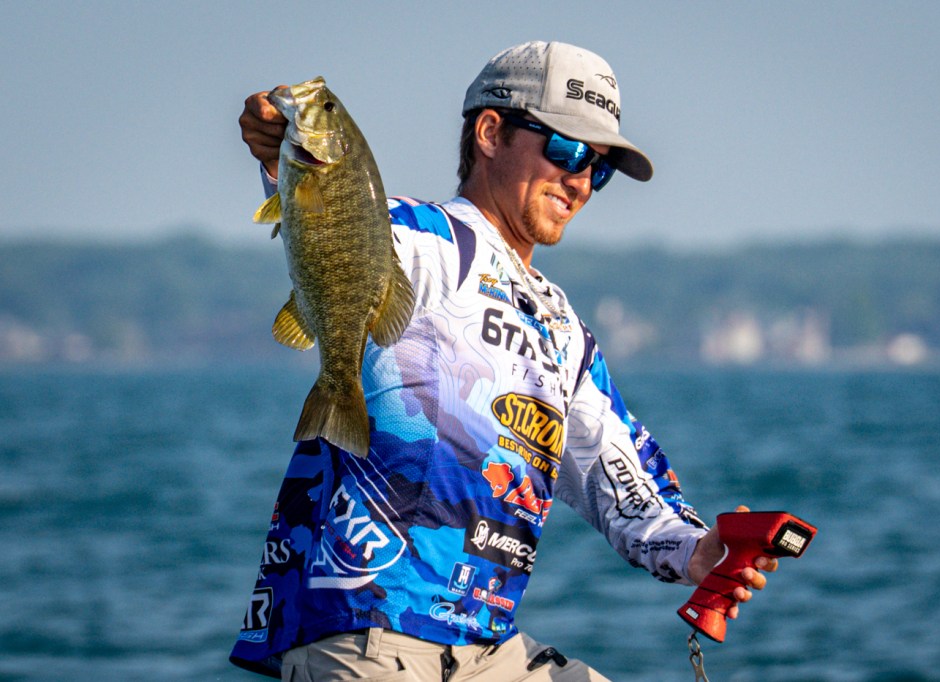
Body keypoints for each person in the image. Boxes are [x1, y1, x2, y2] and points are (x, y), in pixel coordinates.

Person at [231, 41, 778, 681]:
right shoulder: (420, 239)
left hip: (488, 647)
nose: (580, 181)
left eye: (598, 169)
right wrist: (282, 150)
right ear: (490, 133)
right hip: (371, 628)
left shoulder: (563, 328)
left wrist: (695, 550)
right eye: (567, 150)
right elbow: (338, 218)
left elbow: (618, 474)